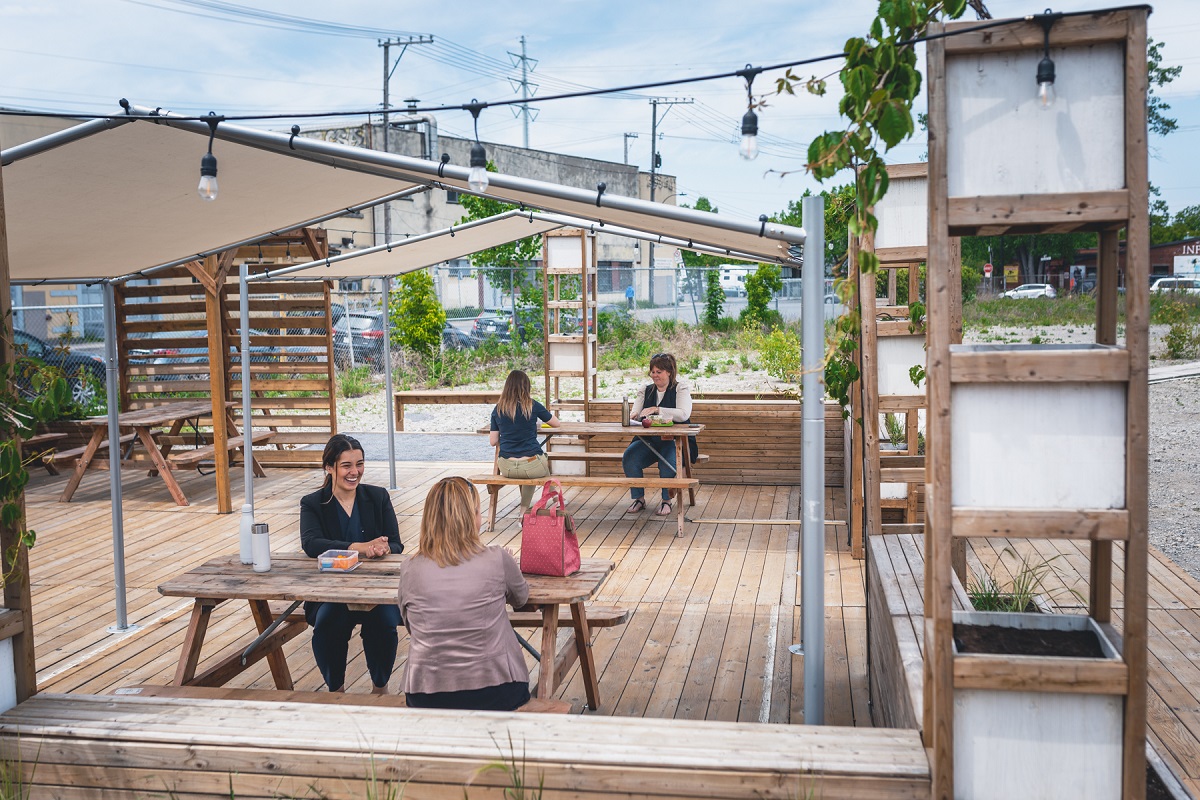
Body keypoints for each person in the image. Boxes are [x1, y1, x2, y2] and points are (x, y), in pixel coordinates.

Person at [396, 476, 532, 711]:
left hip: (426, 691)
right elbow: (522, 599)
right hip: (496, 686)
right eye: (478, 512)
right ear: (471, 518)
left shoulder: (410, 568)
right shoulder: (498, 558)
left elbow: (410, 624)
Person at [300, 434, 403, 694]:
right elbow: (311, 544)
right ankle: (337, 691)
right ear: (329, 467)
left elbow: (397, 544)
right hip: (329, 595)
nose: (354, 472)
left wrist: (382, 548)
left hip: (376, 592)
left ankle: (380, 689)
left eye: (359, 464)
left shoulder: (378, 497)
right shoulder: (313, 503)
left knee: (383, 621)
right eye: (346, 465)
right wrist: (358, 547)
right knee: (327, 624)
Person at [622, 352, 698, 516]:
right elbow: (636, 411)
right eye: (653, 372)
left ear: (669, 372)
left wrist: (658, 409)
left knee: (668, 463)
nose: (654, 376)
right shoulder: (645, 390)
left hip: (675, 441)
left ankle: (666, 501)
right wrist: (633, 415)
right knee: (630, 457)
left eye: (658, 372)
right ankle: (639, 499)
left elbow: (683, 414)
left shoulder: (680, 388)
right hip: (649, 440)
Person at [489, 369, 560, 511]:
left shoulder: (498, 409)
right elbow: (556, 423)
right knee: (538, 462)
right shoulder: (532, 405)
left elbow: (493, 441)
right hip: (530, 467)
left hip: (506, 467)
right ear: (526, 387)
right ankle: (525, 509)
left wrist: (509, 432)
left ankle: (555, 497)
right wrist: (534, 424)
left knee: (534, 464)